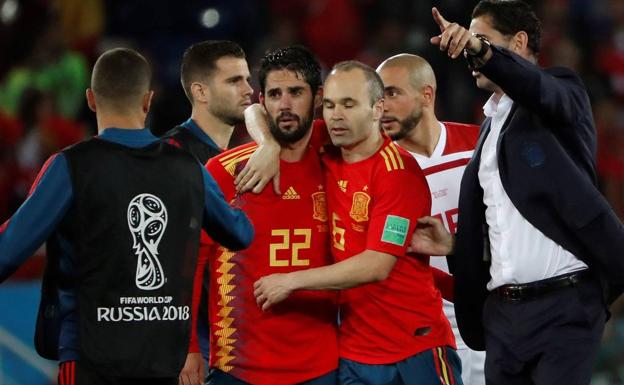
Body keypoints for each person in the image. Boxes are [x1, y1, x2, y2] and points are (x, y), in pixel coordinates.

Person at [0, 48, 254, 385]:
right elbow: (241, 233)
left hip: (91, 359)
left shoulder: (70, 167)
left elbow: (8, 251)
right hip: (166, 360)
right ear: (148, 100)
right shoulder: (189, 168)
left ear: (91, 99)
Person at [411, 1, 624, 384]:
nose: (470, 53)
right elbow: (506, 222)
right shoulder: (488, 130)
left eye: (483, 40)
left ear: (520, 41)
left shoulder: (561, 95)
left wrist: (482, 51)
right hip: (505, 317)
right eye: (472, 44)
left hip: (565, 306)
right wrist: (457, 246)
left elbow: (536, 86)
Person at [253, 61, 461, 385]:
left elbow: (376, 265)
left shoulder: (398, 172)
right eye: (331, 105)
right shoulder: (329, 143)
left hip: (414, 344)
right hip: (355, 352)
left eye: (349, 105)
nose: (336, 115)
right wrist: (267, 144)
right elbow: (256, 111)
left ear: (377, 109)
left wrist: (290, 281)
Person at [204, 45, 338, 385]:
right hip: (238, 369)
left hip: (320, 367)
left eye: (296, 92)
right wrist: (190, 348)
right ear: (262, 101)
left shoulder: (339, 158)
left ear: (318, 98)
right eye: (275, 94)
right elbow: (192, 263)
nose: (285, 104)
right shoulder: (224, 171)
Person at [162, 41, 278, 385]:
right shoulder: (171, 156)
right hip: (197, 340)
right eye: (234, 81)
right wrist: (186, 347)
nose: (248, 90)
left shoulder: (250, 156)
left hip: (240, 335)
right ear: (200, 91)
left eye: (247, 79)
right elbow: (169, 259)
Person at [377, 53, 485, 385]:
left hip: (493, 318)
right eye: (377, 98)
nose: (381, 107)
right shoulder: (376, 168)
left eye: (392, 94)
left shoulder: (480, 145)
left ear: (427, 95)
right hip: (423, 332)